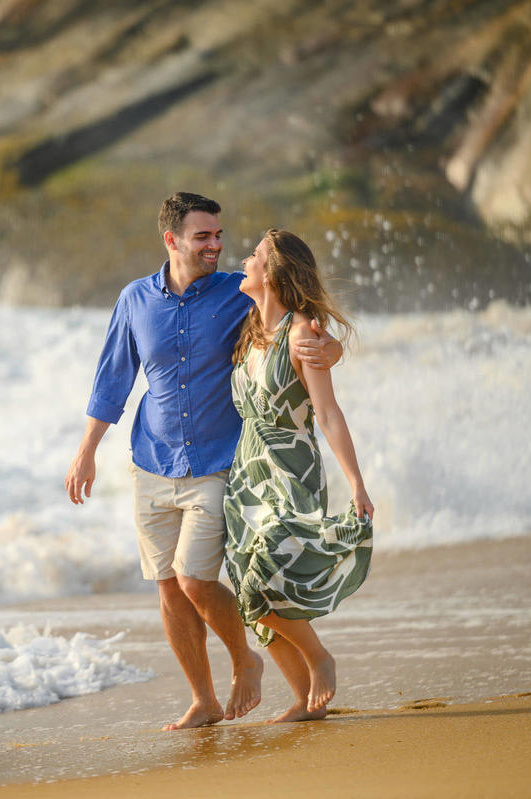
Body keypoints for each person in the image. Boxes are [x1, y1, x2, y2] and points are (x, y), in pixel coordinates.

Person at [65, 194, 342, 730]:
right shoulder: (134, 300)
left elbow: (298, 321)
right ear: (171, 240)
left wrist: (331, 350)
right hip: (151, 462)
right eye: (203, 237)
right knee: (168, 586)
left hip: (219, 463)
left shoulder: (234, 294)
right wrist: (86, 452)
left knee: (194, 579)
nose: (216, 246)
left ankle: (245, 660)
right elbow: (112, 380)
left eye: (218, 235)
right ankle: (204, 700)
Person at [224, 229, 373, 723]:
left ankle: (319, 658)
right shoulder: (248, 330)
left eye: (254, 255)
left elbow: (328, 413)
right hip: (246, 479)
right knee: (256, 598)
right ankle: (304, 699)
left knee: (261, 582)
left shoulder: (302, 333)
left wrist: (355, 482)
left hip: (289, 472)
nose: (243, 260)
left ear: (272, 271)